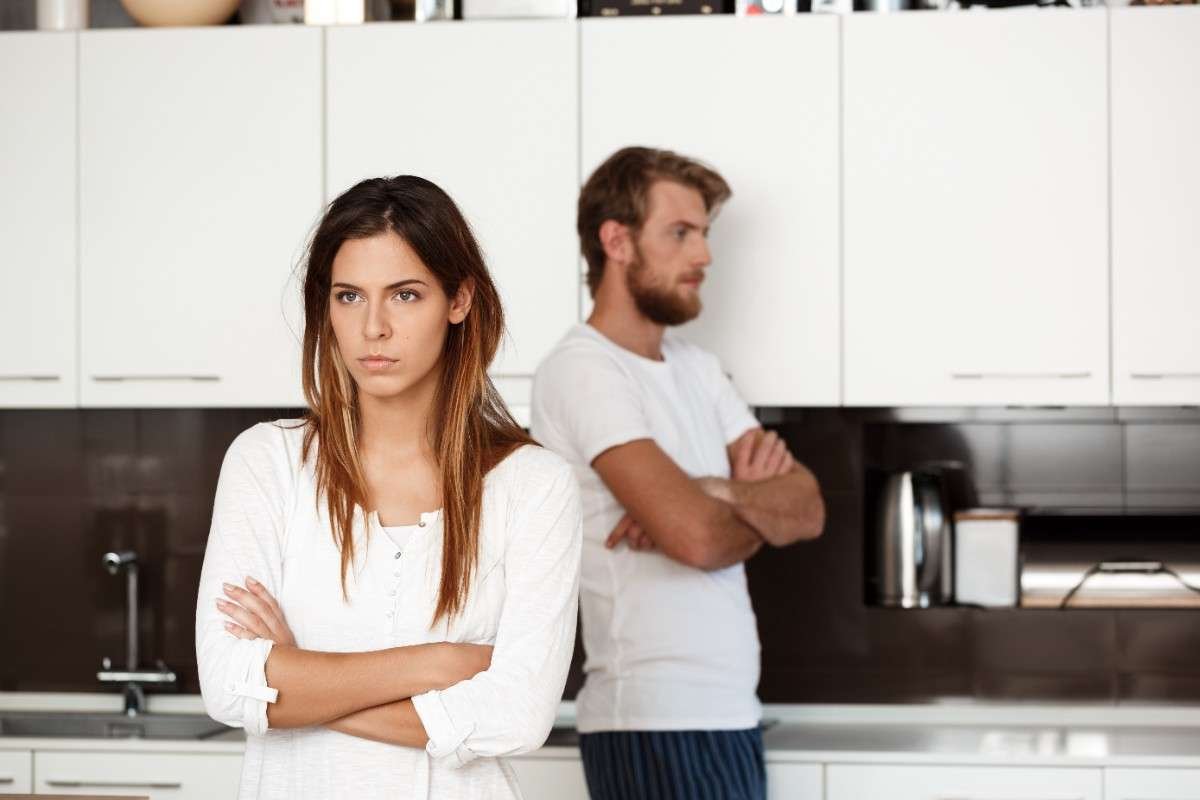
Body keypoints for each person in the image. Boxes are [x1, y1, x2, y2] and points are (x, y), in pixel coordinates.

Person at [195, 175, 582, 800]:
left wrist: (301, 685)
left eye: (405, 295)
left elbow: (516, 715)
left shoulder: (534, 486)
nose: (373, 327)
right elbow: (227, 684)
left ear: (458, 300)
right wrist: (435, 664)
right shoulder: (266, 463)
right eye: (349, 296)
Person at [531, 146, 826, 800]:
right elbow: (698, 541)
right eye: (681, 233)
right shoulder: (584, 370)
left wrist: (708, 490)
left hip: (729, 714)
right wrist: (741, 510)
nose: (705, 256)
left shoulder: (696, 368)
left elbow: (807, 507)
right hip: (652, 721)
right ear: (618, 242)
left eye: (705, 234)